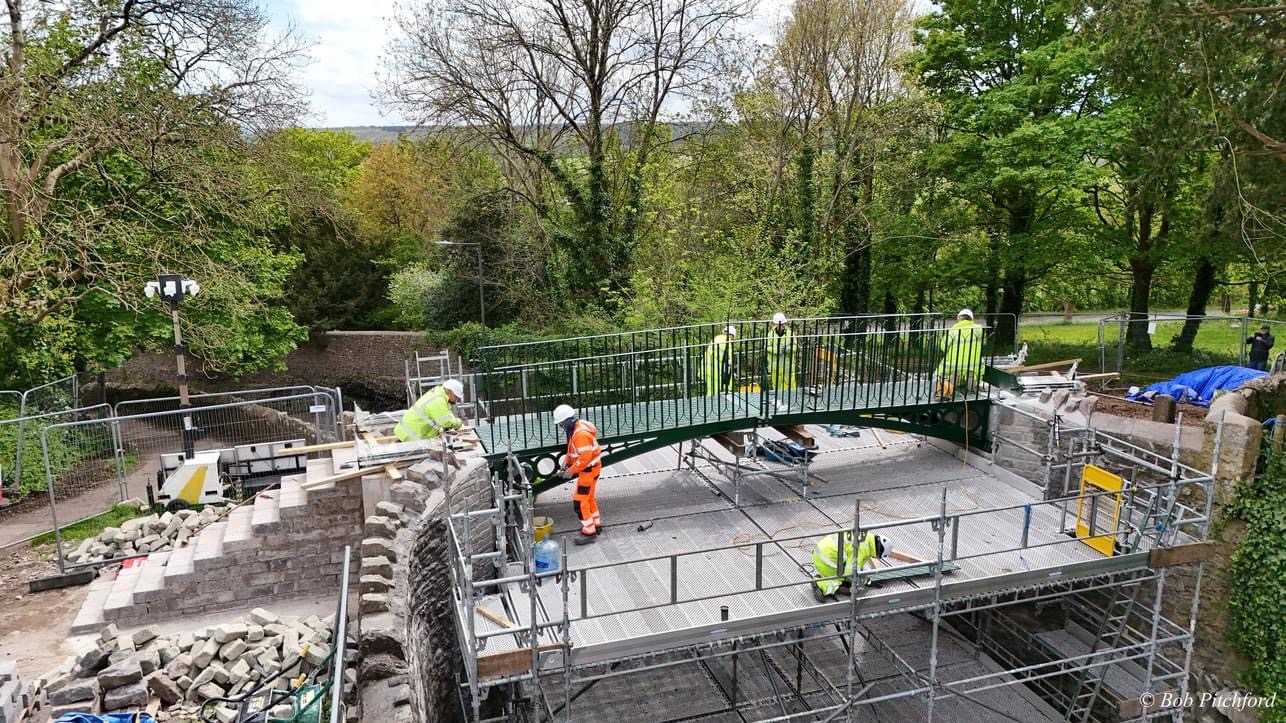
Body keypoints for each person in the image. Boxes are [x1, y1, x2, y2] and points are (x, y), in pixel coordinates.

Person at [554, 404, 603, 545]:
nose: (561, 427)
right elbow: (572, 451)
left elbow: (584, 458)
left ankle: (589, 531)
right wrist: (565, 464)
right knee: (589, 498)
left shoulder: (579, 435)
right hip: (592, 469)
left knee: (579, 502)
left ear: (567, 421)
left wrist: (570, 471)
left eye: (561, 424)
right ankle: (596, 523)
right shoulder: (576, 429)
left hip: (588, 471)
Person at [811, 531, 890, 602]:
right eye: (878, 556)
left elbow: (856, 565)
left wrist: (864, 579)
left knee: (850, 581)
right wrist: (864, 581)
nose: (876, 557)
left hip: (822, 553)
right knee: (849, 589)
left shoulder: (866, 537)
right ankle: (820, 583)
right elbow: (850, 573)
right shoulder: (863, 549)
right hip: (826, 561)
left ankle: (830, 579)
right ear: (880, 551)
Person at [394, 379, 464, 442]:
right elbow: (445, 421)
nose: (457, 399)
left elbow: (445, 412)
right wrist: (458, 423)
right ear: (449, 391)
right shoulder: (438, 401)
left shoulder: (439, 393)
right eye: (456, 396)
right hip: (411, 435)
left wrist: (452, 420)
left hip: (410, 431)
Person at [935, 309, 984, 399]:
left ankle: (951, 384)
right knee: (973, 370)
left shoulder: (953, 331)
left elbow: (943, 346)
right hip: (972, 363)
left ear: (959, 319)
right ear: (971, 319)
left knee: (946, 372)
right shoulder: (978, 329)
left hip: (955, 363)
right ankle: (971, 384)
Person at [767, 313, 796, 403]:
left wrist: (789, 349)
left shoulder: (790, 333)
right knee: (776, 384)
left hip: (788, 365)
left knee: (790, 384)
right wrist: (776, 350)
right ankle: (779, 400)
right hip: (775, 366)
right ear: (776, 324)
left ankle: (790, 401)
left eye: (784, 324)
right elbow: (767, 347)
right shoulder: (770, 334)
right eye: (781, 324)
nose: (783, 326)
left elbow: (795, 346)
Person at [703, 325, 738, 396]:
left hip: (708, 366)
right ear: (731, 335)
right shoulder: (727, 342)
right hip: (716, 368)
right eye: (733, 337)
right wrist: (728, 366)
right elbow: (725, 358)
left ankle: (712, 403)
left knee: (711, 389)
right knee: (716, 390)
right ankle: (719, 403)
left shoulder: (717, 338)